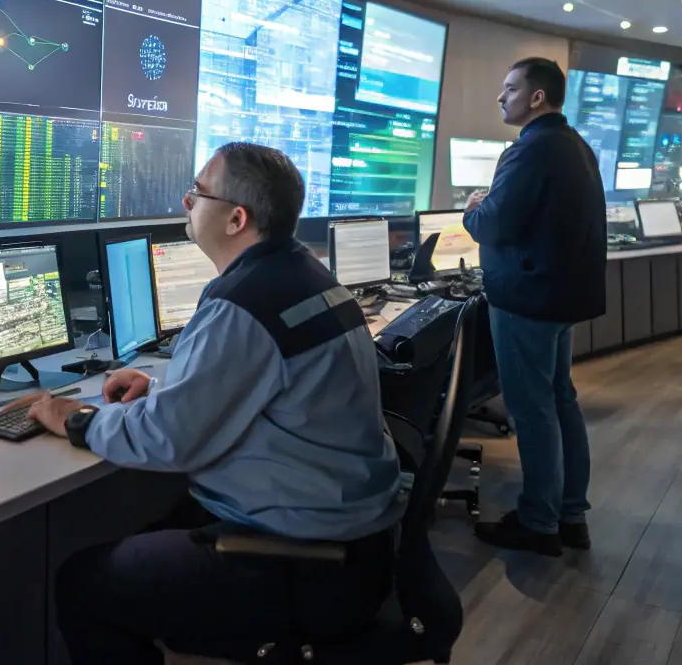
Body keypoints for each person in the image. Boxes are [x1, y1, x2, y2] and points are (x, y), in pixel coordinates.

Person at [20, 142, 404, 664]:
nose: (186, 203)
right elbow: (272, 394)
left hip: (305, 559)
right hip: (356, 539)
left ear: (236, 218)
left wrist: (77, 420)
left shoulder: (245, 302)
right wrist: (160, 391)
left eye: (197, 194)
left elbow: (168, 440)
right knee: (158, 524)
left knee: (85, 584)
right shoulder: (306, 277)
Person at [463, 56, 606, 557]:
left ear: (537, 97)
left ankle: (538, 521)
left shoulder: (529, 150)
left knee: (533, 409)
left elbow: (493, 226)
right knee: (560, 401)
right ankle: (570, 515)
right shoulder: (577, 146)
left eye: (509, 88)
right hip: (560, 298)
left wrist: (474, 207)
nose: (501, 97)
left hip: (526, 300)